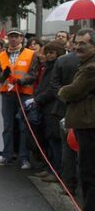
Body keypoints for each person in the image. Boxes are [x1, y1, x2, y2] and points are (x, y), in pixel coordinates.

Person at [58, 28, 95, 210]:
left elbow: (72, 91)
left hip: (89, 126)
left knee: (89, 172)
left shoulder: (91, 68)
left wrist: (63, 91)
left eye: (83, 44)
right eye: (76, 43)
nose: (78, 47)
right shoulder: (85, 64)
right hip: (85, 123)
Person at [0, 29, 38, 169]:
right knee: (8, 126)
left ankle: (24, 158)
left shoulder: (31, 54)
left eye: (16, 37)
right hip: (8, 93)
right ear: (8, 38)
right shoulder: (0, 55)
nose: (13, 39)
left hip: (24, 93)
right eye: (11, 37)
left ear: (21, 38)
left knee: (24, 127)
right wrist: (3, 76)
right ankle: (7, 156)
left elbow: (33, 74)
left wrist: (21, 81)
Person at [30, 40, 66, 182]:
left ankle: (56, 171)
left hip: (53, 108)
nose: (48, 55)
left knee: (54, 140)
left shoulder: (57, 67)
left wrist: (37, 99)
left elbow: (52, 89)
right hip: (45, 107)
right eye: (47, 52)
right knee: (48, 139)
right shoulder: (47, 66)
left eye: (52, 52)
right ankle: (49, 167)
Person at [49, 41, 81, 195]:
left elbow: (54, 84)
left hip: (66, 108)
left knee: (68, 148)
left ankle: (69, 184)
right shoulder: (63, 61)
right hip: (74, 109)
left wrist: (64, 97)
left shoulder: (62, 60)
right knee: (71, 148)